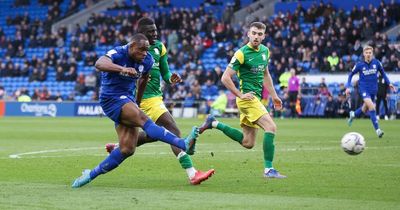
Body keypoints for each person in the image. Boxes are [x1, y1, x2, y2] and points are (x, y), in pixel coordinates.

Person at [71, 34, 197, 188]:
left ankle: (89, 175)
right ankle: (183, 144)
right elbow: (99, 63)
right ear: (131, 46)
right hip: (111, 99)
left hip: (127, 100)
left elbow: (144, 79)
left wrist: (137, 102)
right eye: (141, 50)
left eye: (146, 50)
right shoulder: (118, 52)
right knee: (144, 120)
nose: (144, 53)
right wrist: (122, 69)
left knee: (127, 149)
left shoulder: (148, 60)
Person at [104, 17, 214, 185]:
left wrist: (172, 78)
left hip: (155, 97)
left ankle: (119, 148)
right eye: (151, 32)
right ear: (140, 33)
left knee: (157, 135)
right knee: (172, 130)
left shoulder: (160, 48)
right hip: (138, 99)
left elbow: (165, 73)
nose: (155, 34)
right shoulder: (132, 50)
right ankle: (192, 174)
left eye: (155, 31)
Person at [198, 22, 286, 178]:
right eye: (254, 33)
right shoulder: (241, 53)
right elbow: (225, 77)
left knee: (248, 143)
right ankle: (269, 169)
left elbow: (266, 75)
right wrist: (240, 94)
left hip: (256, 100)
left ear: (264, 36)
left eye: (260, 34)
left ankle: (213, 123)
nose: (256, 37)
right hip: (247, 99)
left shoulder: (265, 52)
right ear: (248, 34)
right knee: (271, 127)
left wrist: (274, 95)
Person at [346, 45, 396, 138]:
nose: (368, 54)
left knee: (364, 109)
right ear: (364, 54)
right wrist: (348, 87)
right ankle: (378, 130)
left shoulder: (377, 63)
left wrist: (389, 83)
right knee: (372, 107)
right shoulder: (359, 65)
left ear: (372, 54)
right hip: (364, 89)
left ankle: (353, 114)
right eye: (366, 53)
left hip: (374, 90)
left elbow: (383, 74)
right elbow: (350, 75)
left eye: (370, 53)